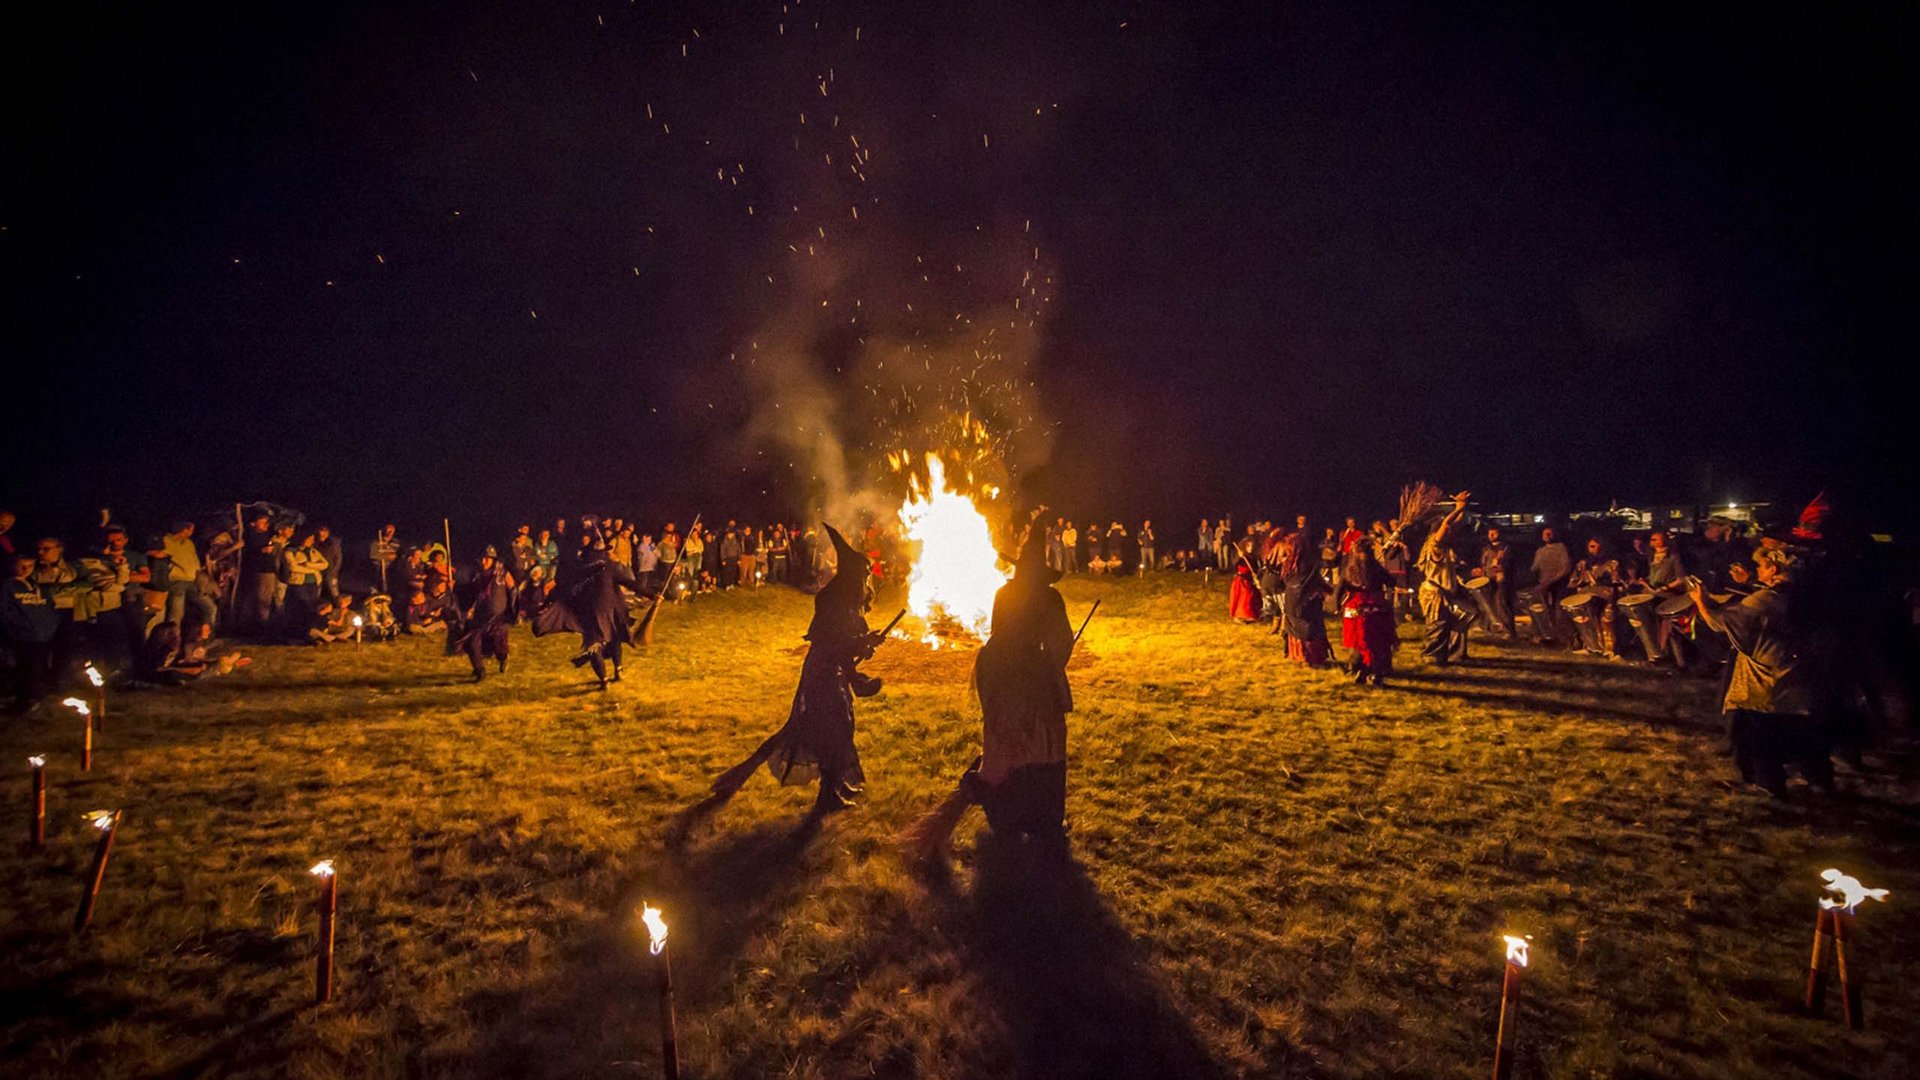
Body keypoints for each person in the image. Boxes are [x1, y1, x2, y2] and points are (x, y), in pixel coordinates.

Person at [907, 521, 1076, 862]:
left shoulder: (1004, 593)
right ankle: (1042, 818)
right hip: (1029, 676)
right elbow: (1061, 644)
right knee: (1043, 743)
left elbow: (997, 632)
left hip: (996, 668)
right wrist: (1052, 660)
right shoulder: (1050, 597)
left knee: (1002, 742)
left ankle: (1006, 814)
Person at [709, 525, 883, 815]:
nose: (866, 580)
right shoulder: (831, 600)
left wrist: (864, 646)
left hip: (835, 673)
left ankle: (835, 785)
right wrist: (862, 643)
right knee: (829, 730)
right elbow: (832, 642)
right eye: (863, 574)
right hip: (822, 675)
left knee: (838, 729)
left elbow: (847, 644)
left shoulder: (849, 600)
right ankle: (828, 795)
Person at [1689, 546, 1829, 795]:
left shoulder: (1764, 601)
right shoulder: (1808, 596)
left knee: (1760, 732)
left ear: (1773, 569)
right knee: (1803, 728)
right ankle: (1818, 779)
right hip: (1802, 672)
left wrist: (1701, 602)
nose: (1756, 569)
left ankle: (1768, 782)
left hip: (1767, 677)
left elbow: (1721, 623)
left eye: (1760, 566)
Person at [533, 543, 636, 689]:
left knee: (599, 644)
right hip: (594, 613)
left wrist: (546, 604)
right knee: (606, 641)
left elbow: (562, 588)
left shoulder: (590, 568)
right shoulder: (600, 568)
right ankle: (610, 676)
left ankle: (609, 677)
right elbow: (564, 588)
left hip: (595, 613)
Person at [1416, 492, 1473, 665]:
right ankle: (1431, 657)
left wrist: (1462, 507)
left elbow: (1455, 525)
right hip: (1435, 593)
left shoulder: (1445, 546)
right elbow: (1447, 524)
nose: (1450, 532)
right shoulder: (1434, 544)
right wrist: (1457, 509)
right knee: (1438, 625)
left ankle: (1455, 654)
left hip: (1447, 591)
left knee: (1461, 619)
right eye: (1446, 530)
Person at [3, 553, 60, 711]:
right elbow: (5, 611)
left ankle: (36, 698)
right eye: (21, 565)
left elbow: (50, 607)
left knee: (39, 668)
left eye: (29, 566)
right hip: (23, 636)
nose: (25, 569)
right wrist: (21, 626)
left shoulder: (39, 584)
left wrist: (50, 626)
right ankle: (24, 700)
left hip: (43, 635)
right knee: (25, 668)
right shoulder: (7, 586)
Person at [449, 548, 515, 680]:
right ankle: (479, 670)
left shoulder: (502, 573)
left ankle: (503, 658)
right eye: (482, 558)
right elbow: (469, 591)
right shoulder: (477, 575)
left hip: (498, 617)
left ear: (493, 560)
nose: (484, 561)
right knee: (472, 641)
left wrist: (512, 610)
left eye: (487, 559)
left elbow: (513, 590)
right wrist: (453, 586)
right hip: (481, 616)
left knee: (499, 645)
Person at [1338, 540, 1397, 686]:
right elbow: (1391, 582)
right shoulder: (1375, 568)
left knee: (1360, 642)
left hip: (1356, 608)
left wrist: (1337, 605)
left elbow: (1341, 587)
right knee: (1376, 642)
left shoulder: (1350, 568)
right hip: (1375, 607)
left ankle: (1360, 669)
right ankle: (1373, 672)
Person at [1281, 532, 1330, 666]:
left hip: (1293, 599)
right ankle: (1309, 656)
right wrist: (1331, 590)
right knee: (1308, 626)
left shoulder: (1290, 562)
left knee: (1298, 624)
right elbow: (1317, 580)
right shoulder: (1307, 563)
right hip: (1305, 599)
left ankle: (1300, 655)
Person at [1528, 526, 1573, 646]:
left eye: (1549, 533)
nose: (1547, 536)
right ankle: (1545, 634)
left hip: (1559, 584)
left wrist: (1553, 580)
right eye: (1545, 534)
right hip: (1544, 585)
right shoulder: (1540, 551)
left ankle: (1563, 638)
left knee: (1559, 612)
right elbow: (1535, 568)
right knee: (1542, 609)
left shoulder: (1561, 548)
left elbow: (1566, 568)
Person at [1472, 526, 1518, 639]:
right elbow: (1484, 563)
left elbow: (1511, 565)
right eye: (1490, 534)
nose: (1491, 536)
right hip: (1488, 580)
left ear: (1500, 534)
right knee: (1487, 604)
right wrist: (1480, 571)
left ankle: (1508, 630)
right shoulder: (1486, 549)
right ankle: (1490, 627)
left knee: (1501, 603)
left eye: (1494, 533)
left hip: (1501, 581)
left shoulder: (1506, 548)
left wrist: (1503, 568)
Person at [241, 513, 281, 631]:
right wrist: (261, 550)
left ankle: (265, 623)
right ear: (253, 524)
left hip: (269, 570)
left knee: (269, 597)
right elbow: (249, 552)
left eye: (266, 522)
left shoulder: (267, 535)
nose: (265, 524)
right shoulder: (250, 536)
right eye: (262, 522)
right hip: (261, 570)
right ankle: (261, 625)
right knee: (262, 599)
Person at [1228, 539, 1262, 624]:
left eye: (1251, 546)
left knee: (1252, 597)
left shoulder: (1253, 556)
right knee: (1243, 597)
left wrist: (1256, 575)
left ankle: (1250, 615)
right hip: (1241, 580)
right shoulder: (1240, 556)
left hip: (1249, 579)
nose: (1250, 548)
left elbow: (1255, 568)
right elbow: (1234, 564)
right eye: (1248, 546)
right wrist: (1239, 557)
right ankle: (1238, 616)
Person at [315, 525, 343, 599]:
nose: (322, 534)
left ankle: (337, 603)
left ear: (328, 533)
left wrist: (334, 572)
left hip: (331, 571)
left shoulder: (333, 543)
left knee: (333, 591)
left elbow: (338, 559)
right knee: (317, 591)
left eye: (324, 532)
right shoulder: (314, 543)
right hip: (318, 571)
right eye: (320, 532)